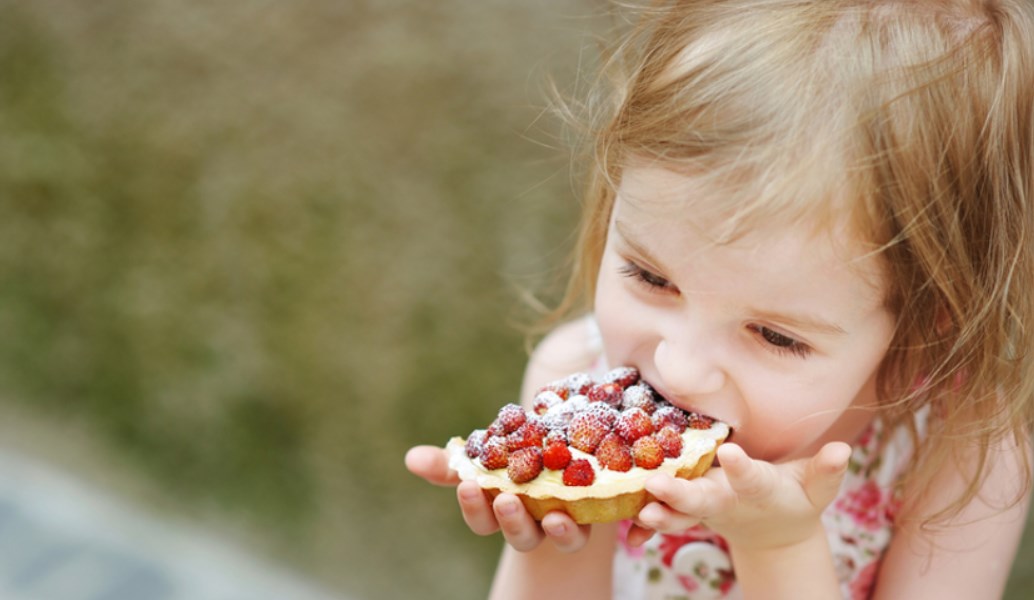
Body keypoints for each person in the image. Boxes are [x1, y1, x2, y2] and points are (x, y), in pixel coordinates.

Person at [405, 0, 1034, 598]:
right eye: (651, 277)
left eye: (775, 336)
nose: (679, 369)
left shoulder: (965, 457)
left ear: (929, 323)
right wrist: (553, 528)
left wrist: (777, 545)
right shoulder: (572, 378)